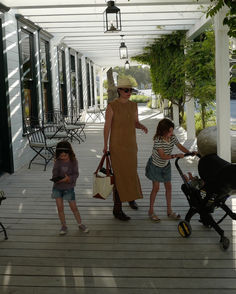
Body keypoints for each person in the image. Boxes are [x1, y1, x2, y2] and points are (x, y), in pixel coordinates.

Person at [103, 77, 148, 221]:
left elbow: (135, 122)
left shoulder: (134, 105)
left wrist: (141, 126)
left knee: (131, 173)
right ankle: (117, 209)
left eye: (131, 90)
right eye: (127, 90)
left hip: (131, 145)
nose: (129, 93)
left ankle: (130, 198)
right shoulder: (112, 106)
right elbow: (107, 127)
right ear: (119, 90)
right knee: (119, 176)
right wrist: (105, 145)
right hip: (117, 146)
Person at [145, 118, 195, 222]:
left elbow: (180, 146)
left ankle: (169, 210)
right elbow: (163, 156)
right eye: (170, 131)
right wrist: (176, 155)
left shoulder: (172, 137)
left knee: (169, 187)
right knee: (156, 188)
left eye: (172, 131)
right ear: (163, 131)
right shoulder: (158, 140)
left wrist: (189, 152)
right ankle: (151, 211)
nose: (172, 133)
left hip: (166, 165)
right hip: (155, 165)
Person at [51, 141, 89, 235]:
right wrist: (57, 176)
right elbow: (54, 175)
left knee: (73, 207)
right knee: (60, 208)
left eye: (65, 155)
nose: (63, 157)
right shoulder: (57, 162)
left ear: (69, 153)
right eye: (61, 156)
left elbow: (76, 174)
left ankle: (80, 224)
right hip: (57, 188)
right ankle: (64, 226)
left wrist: (68, 179)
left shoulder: (73, 162)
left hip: (69, 188)